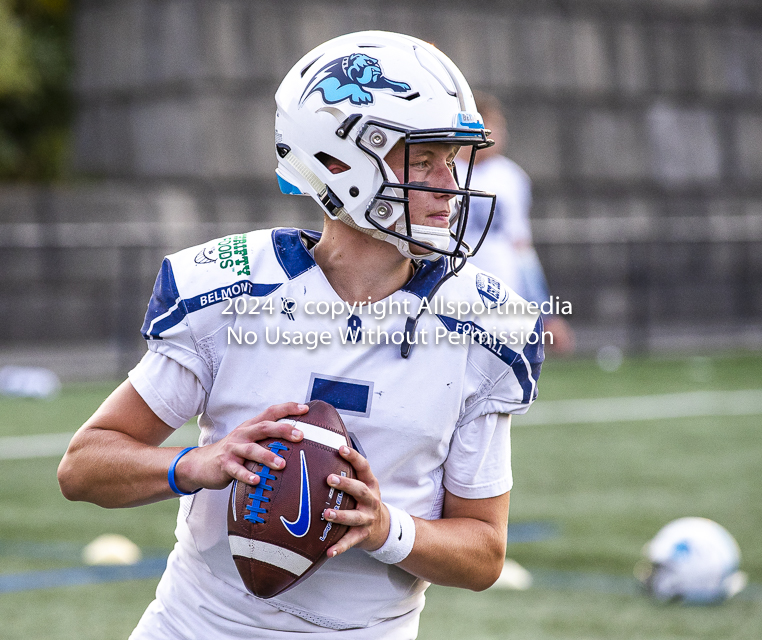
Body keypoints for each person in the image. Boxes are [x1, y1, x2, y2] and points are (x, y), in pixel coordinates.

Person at [58, 31, 544, 640]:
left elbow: (484, 554)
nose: (449, 184)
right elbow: (84, 466)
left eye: (452, 159)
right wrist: (196, 463)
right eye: (423, 160)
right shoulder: (233, 290)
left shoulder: (483, 326)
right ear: (341, 162)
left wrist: (385, 528)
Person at [456, 92, 575, 354]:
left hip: (504, 296)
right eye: (491, 126)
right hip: (454, 295)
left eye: (500, 126)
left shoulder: (510, 176)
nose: (499, 134)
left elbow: (521, 249)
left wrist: (546, 313)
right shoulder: (446, 171)